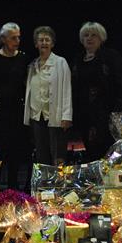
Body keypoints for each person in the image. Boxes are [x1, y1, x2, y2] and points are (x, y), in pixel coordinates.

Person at [72, 21, 122, 162]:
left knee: (106, 153)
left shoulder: (111, 56)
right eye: (86, 35)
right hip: (85, 114)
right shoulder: (78, 59)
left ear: (101, 38)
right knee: (90, 152)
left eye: (93, 35)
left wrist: (117, 112)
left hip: (106, 114)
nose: (89, 38)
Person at [0, 22, 31, 190]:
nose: (17, 40)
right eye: (13, 37)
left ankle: (13, 190)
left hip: (18, 113)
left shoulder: (23, 58)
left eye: (19, 37)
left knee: (16, 154)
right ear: (3, 39)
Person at [23, 26, 73, 166]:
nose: (44, 43)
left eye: (47, 40)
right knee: (41, 154)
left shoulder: (60, 62)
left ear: (52, 43)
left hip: (55, 117)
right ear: (36, 44)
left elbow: (67, 90)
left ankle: (57, 185)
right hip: (37, 117)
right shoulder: (32, 65)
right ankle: (44, 185)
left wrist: (66, 116)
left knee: (58, 155)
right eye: (41, 40)